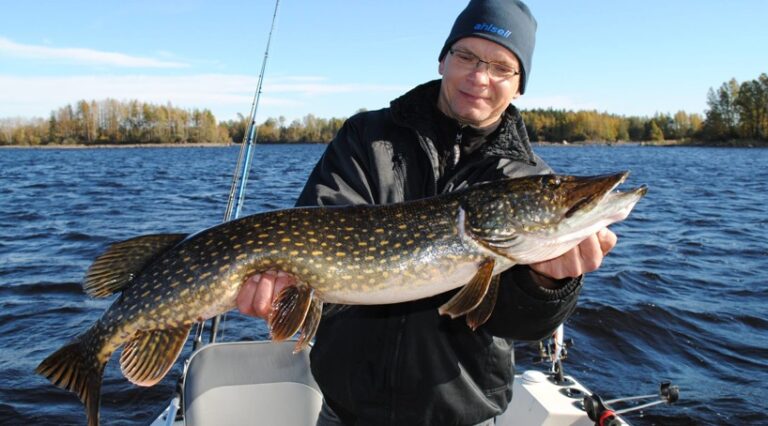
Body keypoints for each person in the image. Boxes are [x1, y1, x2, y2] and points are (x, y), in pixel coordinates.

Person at [237, 0, 617, 424]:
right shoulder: (368, 137)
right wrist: (287, 292)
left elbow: (527, 326)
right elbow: (321, 243)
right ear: (442, 59)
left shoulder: (525, 175)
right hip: (349, 409)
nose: (479, 77)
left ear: (519, 85)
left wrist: (547, 284)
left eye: (501, 67)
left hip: (459, 415)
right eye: (466, 56)